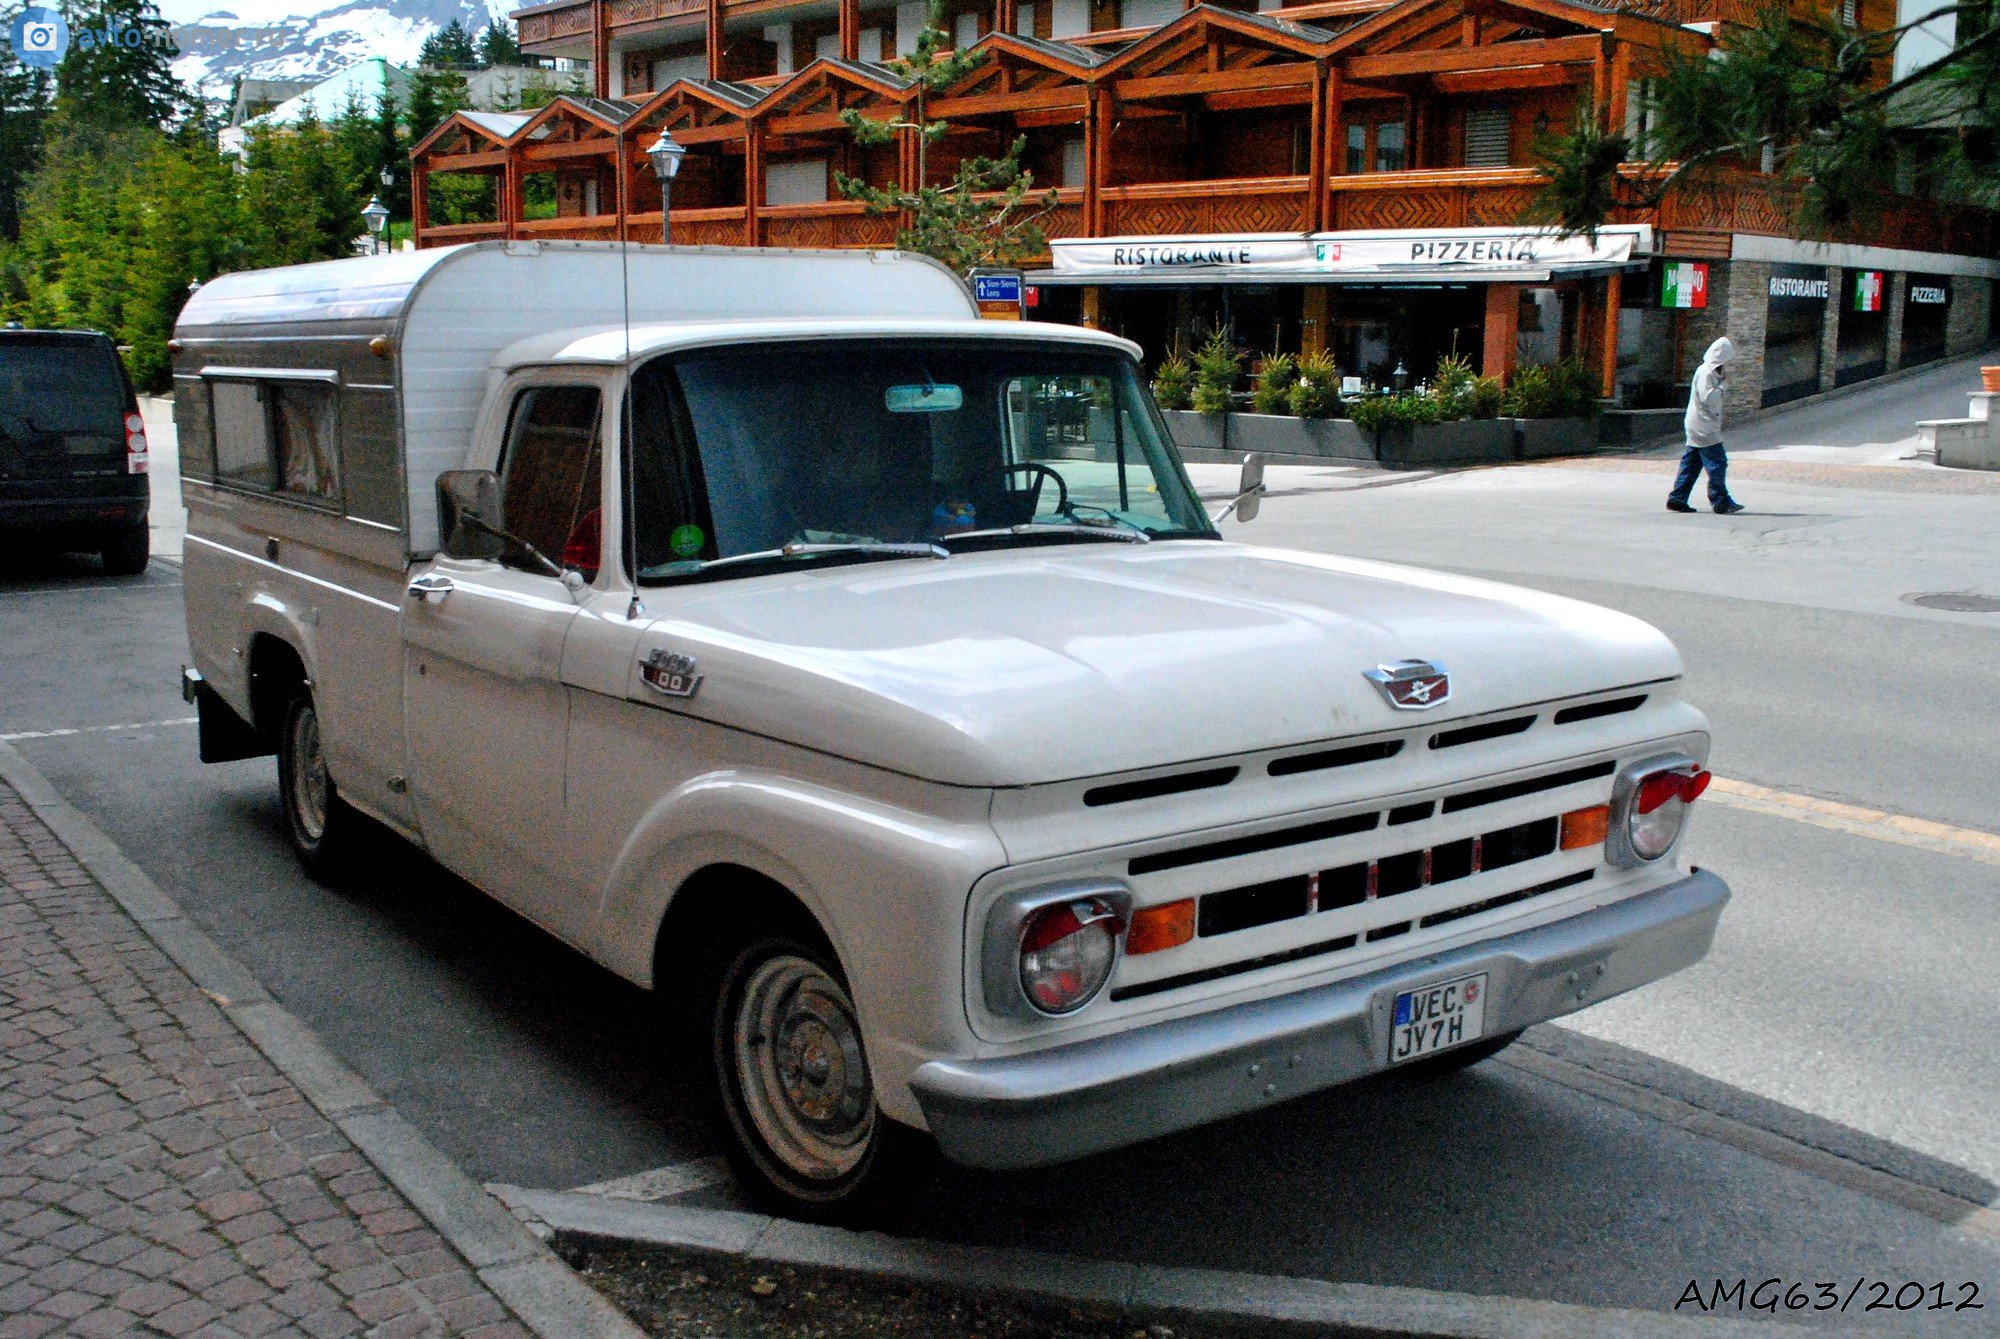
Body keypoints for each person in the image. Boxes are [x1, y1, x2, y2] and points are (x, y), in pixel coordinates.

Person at [1667, 336, 1745, 515]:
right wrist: (1723, 387)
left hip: (1700, 424)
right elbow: (1707, 397)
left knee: (1691, 464)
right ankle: (1720, 501)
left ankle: (1677, 499)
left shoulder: (1710, 371)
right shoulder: (1706, 372)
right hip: (1703, 425)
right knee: (1718, 462)